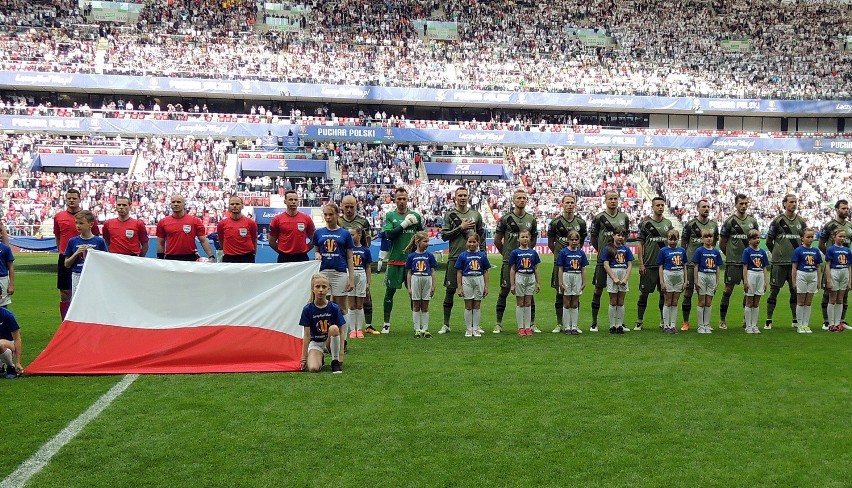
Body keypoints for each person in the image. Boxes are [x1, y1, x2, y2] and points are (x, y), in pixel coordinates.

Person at [440, 186, 485, 334]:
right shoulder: (449, 215)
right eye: (460, 195)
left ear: (468, 197)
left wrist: (482, 254)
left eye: (465, 195)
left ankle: (475, 326)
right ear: (455, 197)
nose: (463, 198)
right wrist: (461, 227)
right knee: (450, 290)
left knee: (477, 293)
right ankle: (446, 324)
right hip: (455, 256)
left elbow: (481, 236)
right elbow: (444, 236)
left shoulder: (475, 214)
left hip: (474, 258)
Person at [313, 203, 355, 360]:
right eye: (326, 215)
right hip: (323, 272)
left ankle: (342, 339)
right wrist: (317, 254)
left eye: (331, 214)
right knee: (323, 305)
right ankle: (325, 339)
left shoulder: (344, 234)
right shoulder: (318, 233)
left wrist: (351, 277)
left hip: (339, 272)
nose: (328, 217)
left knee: (341, 307)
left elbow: (350, 256)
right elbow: (316, 249)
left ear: (338, 214)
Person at [494, 188, 538, 334]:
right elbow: (497, 241)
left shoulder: (531, 219)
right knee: (504, 290)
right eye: (518, 198)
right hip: (509, 261)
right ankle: (498, 323)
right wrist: (508, 255)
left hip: (527, 263)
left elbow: (533, 240)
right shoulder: (505, 219)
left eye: (524, 198)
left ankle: (531, 324)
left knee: (528, 293)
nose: (521, 200)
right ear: (513, 200)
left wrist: (526, 255)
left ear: (527, 200)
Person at [380, 187, 424, 334]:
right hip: (394, 260)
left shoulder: (415, 216)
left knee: (414, 293)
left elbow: (422, 236)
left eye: (404, 198)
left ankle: (416, 324)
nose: (402, 201)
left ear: (407, 199)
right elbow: (389, 235)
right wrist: (404, 224)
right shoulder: (390, 215)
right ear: (394, 199)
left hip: (412, 262)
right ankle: (386, 323)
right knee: (389, 292)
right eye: (399, 198)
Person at [54, 188, 100, 320]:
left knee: (88, 292)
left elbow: (95, 235)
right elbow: (58, 235)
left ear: (79, 199)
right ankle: (66, 323)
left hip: (86, 258)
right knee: (65, 292)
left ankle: (86, 320)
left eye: (74, 198)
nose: (71, 200)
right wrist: (62, 250)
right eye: (69, 198)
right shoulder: (59, 216)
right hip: (66, 256)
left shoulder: (87, 217)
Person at [764, 194, 807, 330]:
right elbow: (769, 241)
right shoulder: (777, 221)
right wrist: (777, 253)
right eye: (791, 202)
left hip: (795, 264)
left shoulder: (801, 221)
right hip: (779, 263)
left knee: (795, 290)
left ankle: (795, 319)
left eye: (795, 202)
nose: (793, 204)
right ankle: (769, 319)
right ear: (784, 204)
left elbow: (804, 240)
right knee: (774, 290)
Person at [589, 191, 630, 332]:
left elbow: (626, 235)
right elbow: (593, 237)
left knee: (619, 294)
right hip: (604, 262)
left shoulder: (624, 217)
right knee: (598, 289)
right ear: (605, 200)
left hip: (620, 263)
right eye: (610, 198)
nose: (613, 201)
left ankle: (619, 323)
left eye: (615, 198)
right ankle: (594, 322)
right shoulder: (599, 217)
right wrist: (602, 251)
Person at [547, 194, 587, 333]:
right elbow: (550, 243)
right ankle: (560, 324)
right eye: (567, 202)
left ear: (575, 204)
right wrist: (560, 256)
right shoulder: (555, 223)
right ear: (562, 204)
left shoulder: (580, 223)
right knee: (560, 294)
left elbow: (581, 241)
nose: (569, 205)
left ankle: (574, 325)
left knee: (575, 294)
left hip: (575, 265)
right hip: (561, 265)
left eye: (572, 202)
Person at [718, 194, 759, 330]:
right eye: (741, 203)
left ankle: (746, 320)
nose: (743, 206)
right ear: (736, 204)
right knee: (728, 290)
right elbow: (722, 242)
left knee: (749, 290)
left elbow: (755, 241)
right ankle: (722, 320)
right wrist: (730, 255)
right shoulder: (730, 221)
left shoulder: (752, 222)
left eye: (746, 204)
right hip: (733, 262)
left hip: (750, 263)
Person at [340, 195, 379, 334]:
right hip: (344, 265)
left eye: (352, 206)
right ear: (342, 206)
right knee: (344, 298)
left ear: (356, 206)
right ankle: (345, 326)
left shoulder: (363, 221)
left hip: (360, 264)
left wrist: (364, 252)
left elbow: (367, 240)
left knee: (365, 297)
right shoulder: (339, 221)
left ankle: (367, 325)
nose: (349, 209)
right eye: (347, 206)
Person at [680, 199, 718, 331]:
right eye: (703, 207)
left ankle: (705, 323)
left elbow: (714, 243)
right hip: (692, 264)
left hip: (708, 267)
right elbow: (683, 244)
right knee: (689, 292)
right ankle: (686, 322)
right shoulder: (690, 225)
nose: (706, 209)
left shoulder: (713, 225)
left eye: (708, 206)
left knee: (707, 295)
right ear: (698, 209)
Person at [636, 196, 672, 331]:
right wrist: (641, 263)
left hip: (665, 266)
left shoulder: (668, 224)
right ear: (653, 207)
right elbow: (640, 243)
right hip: (649, 264)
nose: (660, 207)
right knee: (643, 293)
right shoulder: (646, 224)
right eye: (658, 205)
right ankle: (639, 321)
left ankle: (663, 321)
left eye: (662, 205)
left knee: (664, 293)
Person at [300, 273, 346, 374]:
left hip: (330, 341)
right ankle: (320, 358)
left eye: (324, 287)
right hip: (316, 342)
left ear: (328, 289)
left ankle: (335, 361)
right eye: (317, 286)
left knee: (334, 328)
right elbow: (307, 335)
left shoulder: (334, 307)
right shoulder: (307, 309)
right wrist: (303, 358)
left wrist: (341, 355)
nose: (321, 290)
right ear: (313, 289)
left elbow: (341, 332)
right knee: (313, 368)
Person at [819, 200, 852, 330]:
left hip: (845, 264)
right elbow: (821, 243)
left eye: (847, 208)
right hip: (833, 265)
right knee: (828, 292)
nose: (846, 210)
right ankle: (827, 321)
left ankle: (841, 321)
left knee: (844, 294)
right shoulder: (829, 225)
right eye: (843, 208)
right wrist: (831, 256)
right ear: (837, 209)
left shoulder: (849, 226)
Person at [156, 195, 216, 262]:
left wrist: (211, 256)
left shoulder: (195, 221)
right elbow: (161, 243)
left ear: (184, 204)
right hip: (171, 259)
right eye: (173, 202)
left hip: (191, 258)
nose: (176, 204)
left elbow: (203, 240)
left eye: (178, 202)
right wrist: (160, 259)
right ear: (171, 204)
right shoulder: (163, 222)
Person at [64, 211, 108, 300]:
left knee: (94, 300)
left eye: (81, 223)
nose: (78, 226)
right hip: (78, 274)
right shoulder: (72, 241)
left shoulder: (99, 241)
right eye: (76, 223)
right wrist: (76, 253)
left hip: (93, 275)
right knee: (77, 300)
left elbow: (105, 262)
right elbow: (66, 264)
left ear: (90, 224)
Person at [455, 232, 491, 337]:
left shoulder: (482, 255)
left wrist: (486, 286)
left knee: (477, 305)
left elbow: (485, 271)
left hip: (479, 279)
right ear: (466, 242)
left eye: (474, 242)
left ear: (478, 242)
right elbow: (459, 272)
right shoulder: (462, 256)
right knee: (468, 305)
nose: (472, 244)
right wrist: (459, 287)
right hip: (467, 279)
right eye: (469, 242)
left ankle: (475, 328)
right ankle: (469, 329)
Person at [405, 231, 438, 338]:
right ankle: (417, 329)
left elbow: (433, 271)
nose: (427, 243)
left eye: (428, 241)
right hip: (416, 279)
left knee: (425, 305)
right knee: (416, 305)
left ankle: (425, 329)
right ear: (417, 242)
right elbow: (409, 273)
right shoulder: (411, 256)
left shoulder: (429, 255)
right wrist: (409, 287)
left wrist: (433, 285)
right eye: (425, 241)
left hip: (426, 279)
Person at [790, 228, 822, 334]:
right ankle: (800, 325)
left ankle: (806, 324)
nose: (810, 239)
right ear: (802, 238)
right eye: (808, 237)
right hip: (802, 274)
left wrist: (819, 280)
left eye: (812, 237)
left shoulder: (816, 250)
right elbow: (794, 267)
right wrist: (794, 281)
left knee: (808, 302)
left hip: (812, 275)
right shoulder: (798, 250)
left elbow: (818, 266)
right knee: (801, 301)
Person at [691, 230, 724, 334]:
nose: (709, 238)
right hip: (702, 275)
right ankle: (700, 325)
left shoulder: (716, 252)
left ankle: (706, 324)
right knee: (701, 301)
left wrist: (717, 281)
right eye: (706, 237)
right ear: (702, 239)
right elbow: (696, 266)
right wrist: (696, 280)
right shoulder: (699, 251)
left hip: (712, 276)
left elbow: (718, 267)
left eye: (710, 236)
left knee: (708, 302)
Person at [509, 230, 541, 336]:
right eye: (522, 237)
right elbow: (513, 269)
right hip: (520, 276)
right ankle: (520, 327)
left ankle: (528, 327)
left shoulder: (533, 252)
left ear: (530, 238)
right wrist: (512, 284)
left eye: (527, 237)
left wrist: (538, 282)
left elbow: (536, 268)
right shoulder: (515, 252)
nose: (525, 239)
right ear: (518, 239)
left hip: (530, 277)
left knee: (528, 302)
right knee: (520, 302)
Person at [556, 230, 589, 335]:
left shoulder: (581, 253)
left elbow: (583, 269)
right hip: (567, 275)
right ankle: (567, 326)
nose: (574, 241)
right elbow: (560, 268)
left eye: (576, 239)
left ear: (579, 241)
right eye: (572, 239)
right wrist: (560, 282)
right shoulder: (564, 252)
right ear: (568, 240)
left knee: (574, 302)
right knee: (566, 302)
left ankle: (574, 326)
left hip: (577, 276)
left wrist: (584, 282)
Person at [602, 227, 633, 334]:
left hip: (623, 274)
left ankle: (619, 325)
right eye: (618, 235)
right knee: (613, 301)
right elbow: (606, 264)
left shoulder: (626, 249)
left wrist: (625, 278)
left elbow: (629, 265)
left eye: (622, 235)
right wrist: (614, 277)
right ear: (613, 235)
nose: (620, 237)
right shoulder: (608, 248)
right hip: (613, 275)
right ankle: (612, 325)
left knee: (621, 301)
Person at [269, 190, 315, 263]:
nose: (293, 202)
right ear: (285, 201)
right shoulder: (277, 219)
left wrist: (305, 249)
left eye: (296, 200)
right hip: (284, 258)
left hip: (302, 258)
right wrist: (282, 252)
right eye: (290, 199)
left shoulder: (306, 218)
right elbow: (271, 242)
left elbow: (314, 239)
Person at [657, 229, 686, 334]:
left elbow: (684, 266)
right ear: (667, 239)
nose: (673, 241)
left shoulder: (682, 250)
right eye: (671, 239)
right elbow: (660, 266)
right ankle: (666, 325)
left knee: (675, 302)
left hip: (679, 277)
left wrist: (685, 280)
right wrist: (661, 281)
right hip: (668, 276)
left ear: (678, 239)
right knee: (668, 301)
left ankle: (673, 325)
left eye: (675, 239)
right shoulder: (663, 251)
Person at [742, 229, 770, 334]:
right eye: (754, 238)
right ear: (749, 240)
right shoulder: (747, 251)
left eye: (758, 238)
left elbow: (764, 268)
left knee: (756, 302)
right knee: (749, 301)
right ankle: (748, 325)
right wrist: (745, 280)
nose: (757, 240)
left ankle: (754, 325)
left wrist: (765, 281)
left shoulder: (762, 252)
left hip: (760, 275)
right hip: (751, 274)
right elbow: (744, 267)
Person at [346, 226, 372, 339]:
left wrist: (368, 282)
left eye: (352, 235)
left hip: (361, 275)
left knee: (359, 304)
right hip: (350, 275)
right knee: (352, 305)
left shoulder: (365, 250)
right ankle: (352, 329)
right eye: (349, 235)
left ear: (359, 235)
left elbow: (368, 267)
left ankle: (359, 329)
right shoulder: (347, 249)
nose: (350, 237)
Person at [216, 196, 258, 263]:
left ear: (242, 206)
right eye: (232, 204)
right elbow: (221, 240)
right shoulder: (222, 224)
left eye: (237, 204)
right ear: (229, 206)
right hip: (229, 258)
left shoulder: (251, 223)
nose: (234, 206)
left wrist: (253, 253)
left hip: (247, 257)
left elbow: (254, 240)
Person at [824, 229, 851, 332]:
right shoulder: (831, 249)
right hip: (834, 272)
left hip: (844, 273)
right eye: (840, 236)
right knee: (832, 298)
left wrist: (849, 281)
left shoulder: (847, 250)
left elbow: (849, 266)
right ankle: (831, 324)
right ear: (834, 237)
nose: (842, 238)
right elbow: (827, 265)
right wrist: (829, 280)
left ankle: (837, 322)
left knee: (840, 299)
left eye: (844, 237)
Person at [0, 306, 23, 378]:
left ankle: (11, 367)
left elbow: (17, 339)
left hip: (9, 344)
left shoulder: (7, 315)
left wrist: (18, 362)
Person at [0, 239, 14, 308]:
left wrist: (11, 285)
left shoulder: (5, 248)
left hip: (2, 279)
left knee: (2, 305)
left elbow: (11, 267)